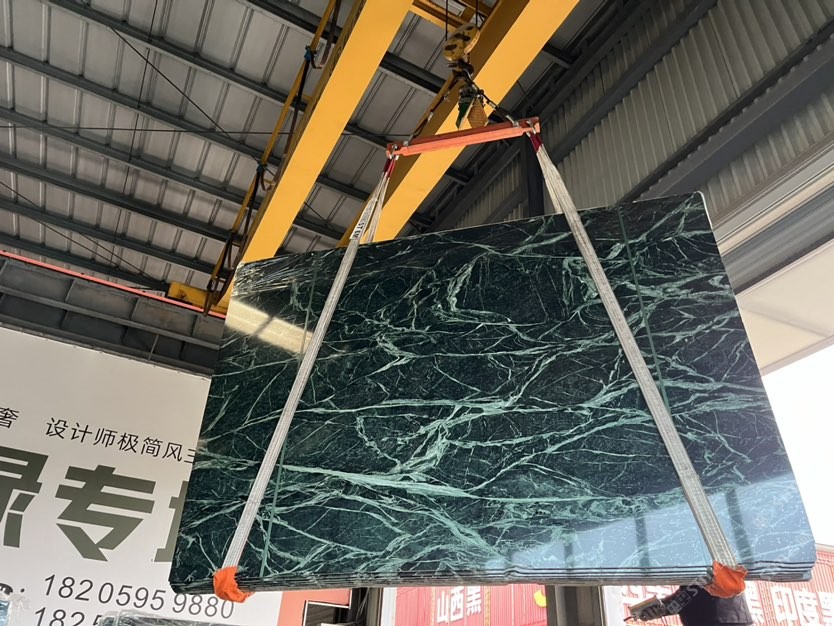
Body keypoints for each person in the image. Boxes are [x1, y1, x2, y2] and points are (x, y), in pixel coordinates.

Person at [634, 585, 753, 626]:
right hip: (726, 617)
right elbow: (690, 593)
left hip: (722, 618)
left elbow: (694, 591)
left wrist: (664, 609)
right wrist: (663, 609)